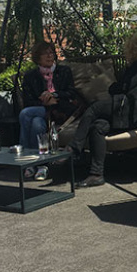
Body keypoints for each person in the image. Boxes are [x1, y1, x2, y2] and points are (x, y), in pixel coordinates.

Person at [67, 34, 137, 188]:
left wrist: (112, 87)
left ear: (131, 50)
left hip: (134, 110)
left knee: (94, 108)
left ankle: (74, 148)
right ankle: (96, 174)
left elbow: (123, 87)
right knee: (98, 126)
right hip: (133, 112)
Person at [19, 41, 79, 180]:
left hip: (60, 110)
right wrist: (44, 101)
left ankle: (27, 161)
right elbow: (28, 101)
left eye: (51, 52)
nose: (49, 55)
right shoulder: (30, 76)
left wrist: (55, 95)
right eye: (45, 53)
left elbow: (71, 93)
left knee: (26, 116)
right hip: (41, 110)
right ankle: (41, 165)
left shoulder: (64, 71)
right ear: (37, 57)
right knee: (36, 123)